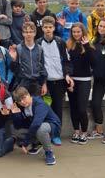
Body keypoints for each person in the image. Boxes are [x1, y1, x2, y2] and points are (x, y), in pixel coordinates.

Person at [35, 16, 71, 146]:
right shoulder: (38, 43)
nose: (48, 29)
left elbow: (67, 61)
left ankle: (56, 134)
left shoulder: (60, 42)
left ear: (54, 28)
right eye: (46, 27)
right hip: (45, 82)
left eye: (50, 27)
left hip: (59, 81)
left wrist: (67, 74)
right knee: (44, 109)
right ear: (42, 28)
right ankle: (44, 135)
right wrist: (42, 82)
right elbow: (38, 64)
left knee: (57, 109)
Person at [10, 87, 60, 166]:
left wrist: (26, 143)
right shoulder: (22, 107)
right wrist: (16, 114)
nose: (22, 102)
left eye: (24, 98)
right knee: (17, 129)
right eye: (19, 101)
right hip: (38, 126)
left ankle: (49, 152)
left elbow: (36, 124)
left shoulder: (39, 104)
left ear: (29, 95)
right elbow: (18, 126)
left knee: (40, 129)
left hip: (52, 125)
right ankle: (38, 143)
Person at [66, 23, 93, 145]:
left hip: (84, 80)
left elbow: (92, 61)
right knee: (74, 108)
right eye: (74, 32)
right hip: (71, 81)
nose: (76, 34)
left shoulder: (88, 45)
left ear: (83, 32)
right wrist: (68, 77)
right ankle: (76, 131)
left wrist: (86, 45)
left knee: (82, 108)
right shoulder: (68, 45)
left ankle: (84, 132)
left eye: (78, 32)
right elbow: (66, 63)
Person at [9, 22, 47, 95]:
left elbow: (42, 67)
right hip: (23, 83)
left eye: (31, 32)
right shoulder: (18, 48)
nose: (28, 34)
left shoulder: (39, 49)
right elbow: (14, 70)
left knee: (36, 105)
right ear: (23, 33)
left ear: (35, 33)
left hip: (36, 83)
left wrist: (44, 83)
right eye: (26, 32)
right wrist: (13, 60)